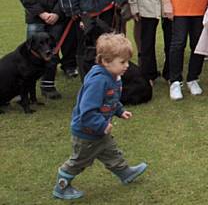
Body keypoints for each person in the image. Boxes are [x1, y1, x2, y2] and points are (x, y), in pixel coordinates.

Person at [52, 33, 147, 200]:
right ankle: (61, 186)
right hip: (86, 133)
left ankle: (125, 173)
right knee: (79, 161)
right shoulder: (98, 81)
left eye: (127, 61)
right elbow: (86, 111)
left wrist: (119, 111)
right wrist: (101, 125)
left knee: (110, 151)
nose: (127, 66)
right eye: (122, 62)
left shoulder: (113, 76)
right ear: (105, 61)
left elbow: (110, 99)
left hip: (98, 131)